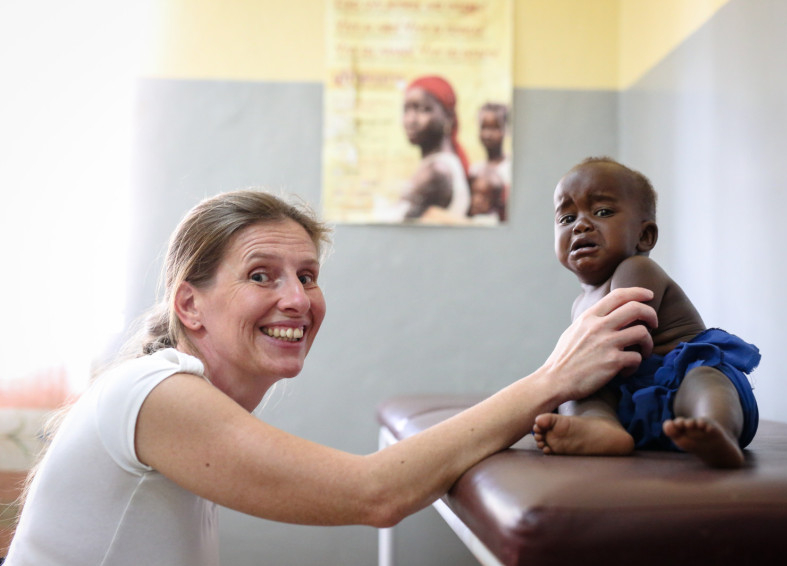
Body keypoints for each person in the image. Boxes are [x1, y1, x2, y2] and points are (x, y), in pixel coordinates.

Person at [6, 189, 658, 565]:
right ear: (189, 305)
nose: (297, 299)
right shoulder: (155, 394)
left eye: (308, 276)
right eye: (261, 275)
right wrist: (553, 377)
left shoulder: (177, 395)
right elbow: (374, 493)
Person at [533, 157, 760, 469]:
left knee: (706, 379)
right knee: (577, 393)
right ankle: (600, 427)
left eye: (602, 212)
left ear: (645, 236)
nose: (580, 225)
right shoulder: (579, 304)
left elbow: (623, 342)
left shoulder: (636, 268)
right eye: (567, 217)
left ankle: (715, 426)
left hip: (680, 381)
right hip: (634, 406)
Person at [398, 75, 471, 221]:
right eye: (406, 110)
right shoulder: (438, 164)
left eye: (423, 110)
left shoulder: (437, 171)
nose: (411, 120)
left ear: (448, 117)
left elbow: (395, 222)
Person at [469, 102, 510, 220]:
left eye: (494, 128)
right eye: (484, 127)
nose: (487, 134)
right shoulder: (475, 169)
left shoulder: (509, 168)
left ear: (506, 129)